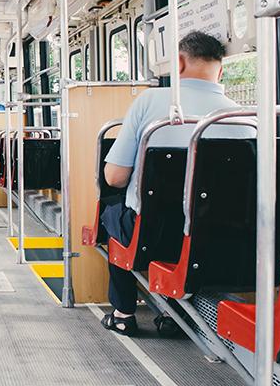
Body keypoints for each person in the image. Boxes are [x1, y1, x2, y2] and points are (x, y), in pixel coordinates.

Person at [101, 31, 252, 336]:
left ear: (179, 62)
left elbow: (115, 177)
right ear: (220, 70)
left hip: (153, 233)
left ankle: (123, 312)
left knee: (111, 214)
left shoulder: (152, 102)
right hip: (221, 237)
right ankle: (175, 313)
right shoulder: (245, 118)